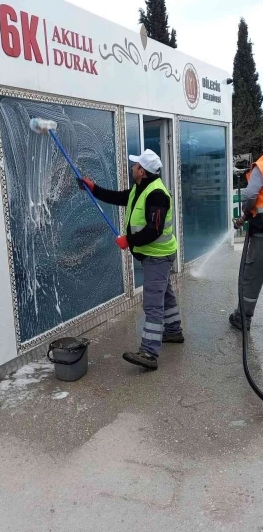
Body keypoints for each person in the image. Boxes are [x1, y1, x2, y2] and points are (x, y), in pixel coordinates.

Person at [78, 149, 183, 371]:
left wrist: (129, 241)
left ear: (142, 171)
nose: (132, 167)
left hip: (158, 255)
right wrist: (94, 188)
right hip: (156, 254)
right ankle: (173, 332)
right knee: (164, 293)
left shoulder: (156, 195)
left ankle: (149, 352)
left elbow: (153, 230)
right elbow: (119, 197)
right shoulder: (140, 188)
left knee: (152, 303)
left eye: (135, 166)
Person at [230, 154, 263, 331]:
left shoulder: (261, 165)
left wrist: (245, 209)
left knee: (252, 276)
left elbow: (251, 195)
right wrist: (245, 217)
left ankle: (243, 318)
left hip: (261, 233)